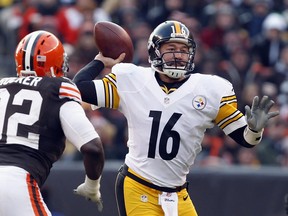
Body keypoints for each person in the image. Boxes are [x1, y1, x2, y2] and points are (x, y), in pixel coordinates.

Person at [73, 20, 279, 216]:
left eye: (183, 50)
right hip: (138, 185)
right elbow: (79, 88)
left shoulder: (211, 89)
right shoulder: (132, 79)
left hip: (177, 193)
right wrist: (100, 61)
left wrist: (255, 130)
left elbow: (246, 140)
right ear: (155, 51)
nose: (178, 55)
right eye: (171, 49)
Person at [0, 30, 104, 215]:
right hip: (15, 181)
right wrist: (92, 185)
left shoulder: (2, 86)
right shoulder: (58, 89)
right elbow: (93, 147)